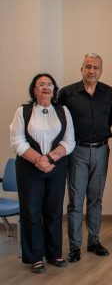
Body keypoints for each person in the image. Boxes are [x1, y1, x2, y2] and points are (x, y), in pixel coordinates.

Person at [9, 73, 76, 273]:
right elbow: (17, 142)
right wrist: (39, 160)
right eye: (41, 84)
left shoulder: (63, 111)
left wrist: (50, 158)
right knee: (31, 211)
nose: (46, 87)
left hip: (56, 168)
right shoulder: (23, 111)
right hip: (29, 169)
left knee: (54, 210)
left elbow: (69, 141)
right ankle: (35, 257)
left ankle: (54, 254)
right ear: (34, 89)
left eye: (49, 84)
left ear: (54, 90)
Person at [58, 53, 112, 262]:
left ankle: (94, 240)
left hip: (101, 150)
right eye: (88, 67)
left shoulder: (108, 92)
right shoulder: (67, 93)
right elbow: (60, 121)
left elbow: (110, 118)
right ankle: (75, 246)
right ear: (81, 68)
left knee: (95, 198)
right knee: (76, 201)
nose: (92, 71)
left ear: (101, 70)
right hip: (77, 151)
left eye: (96, 68)